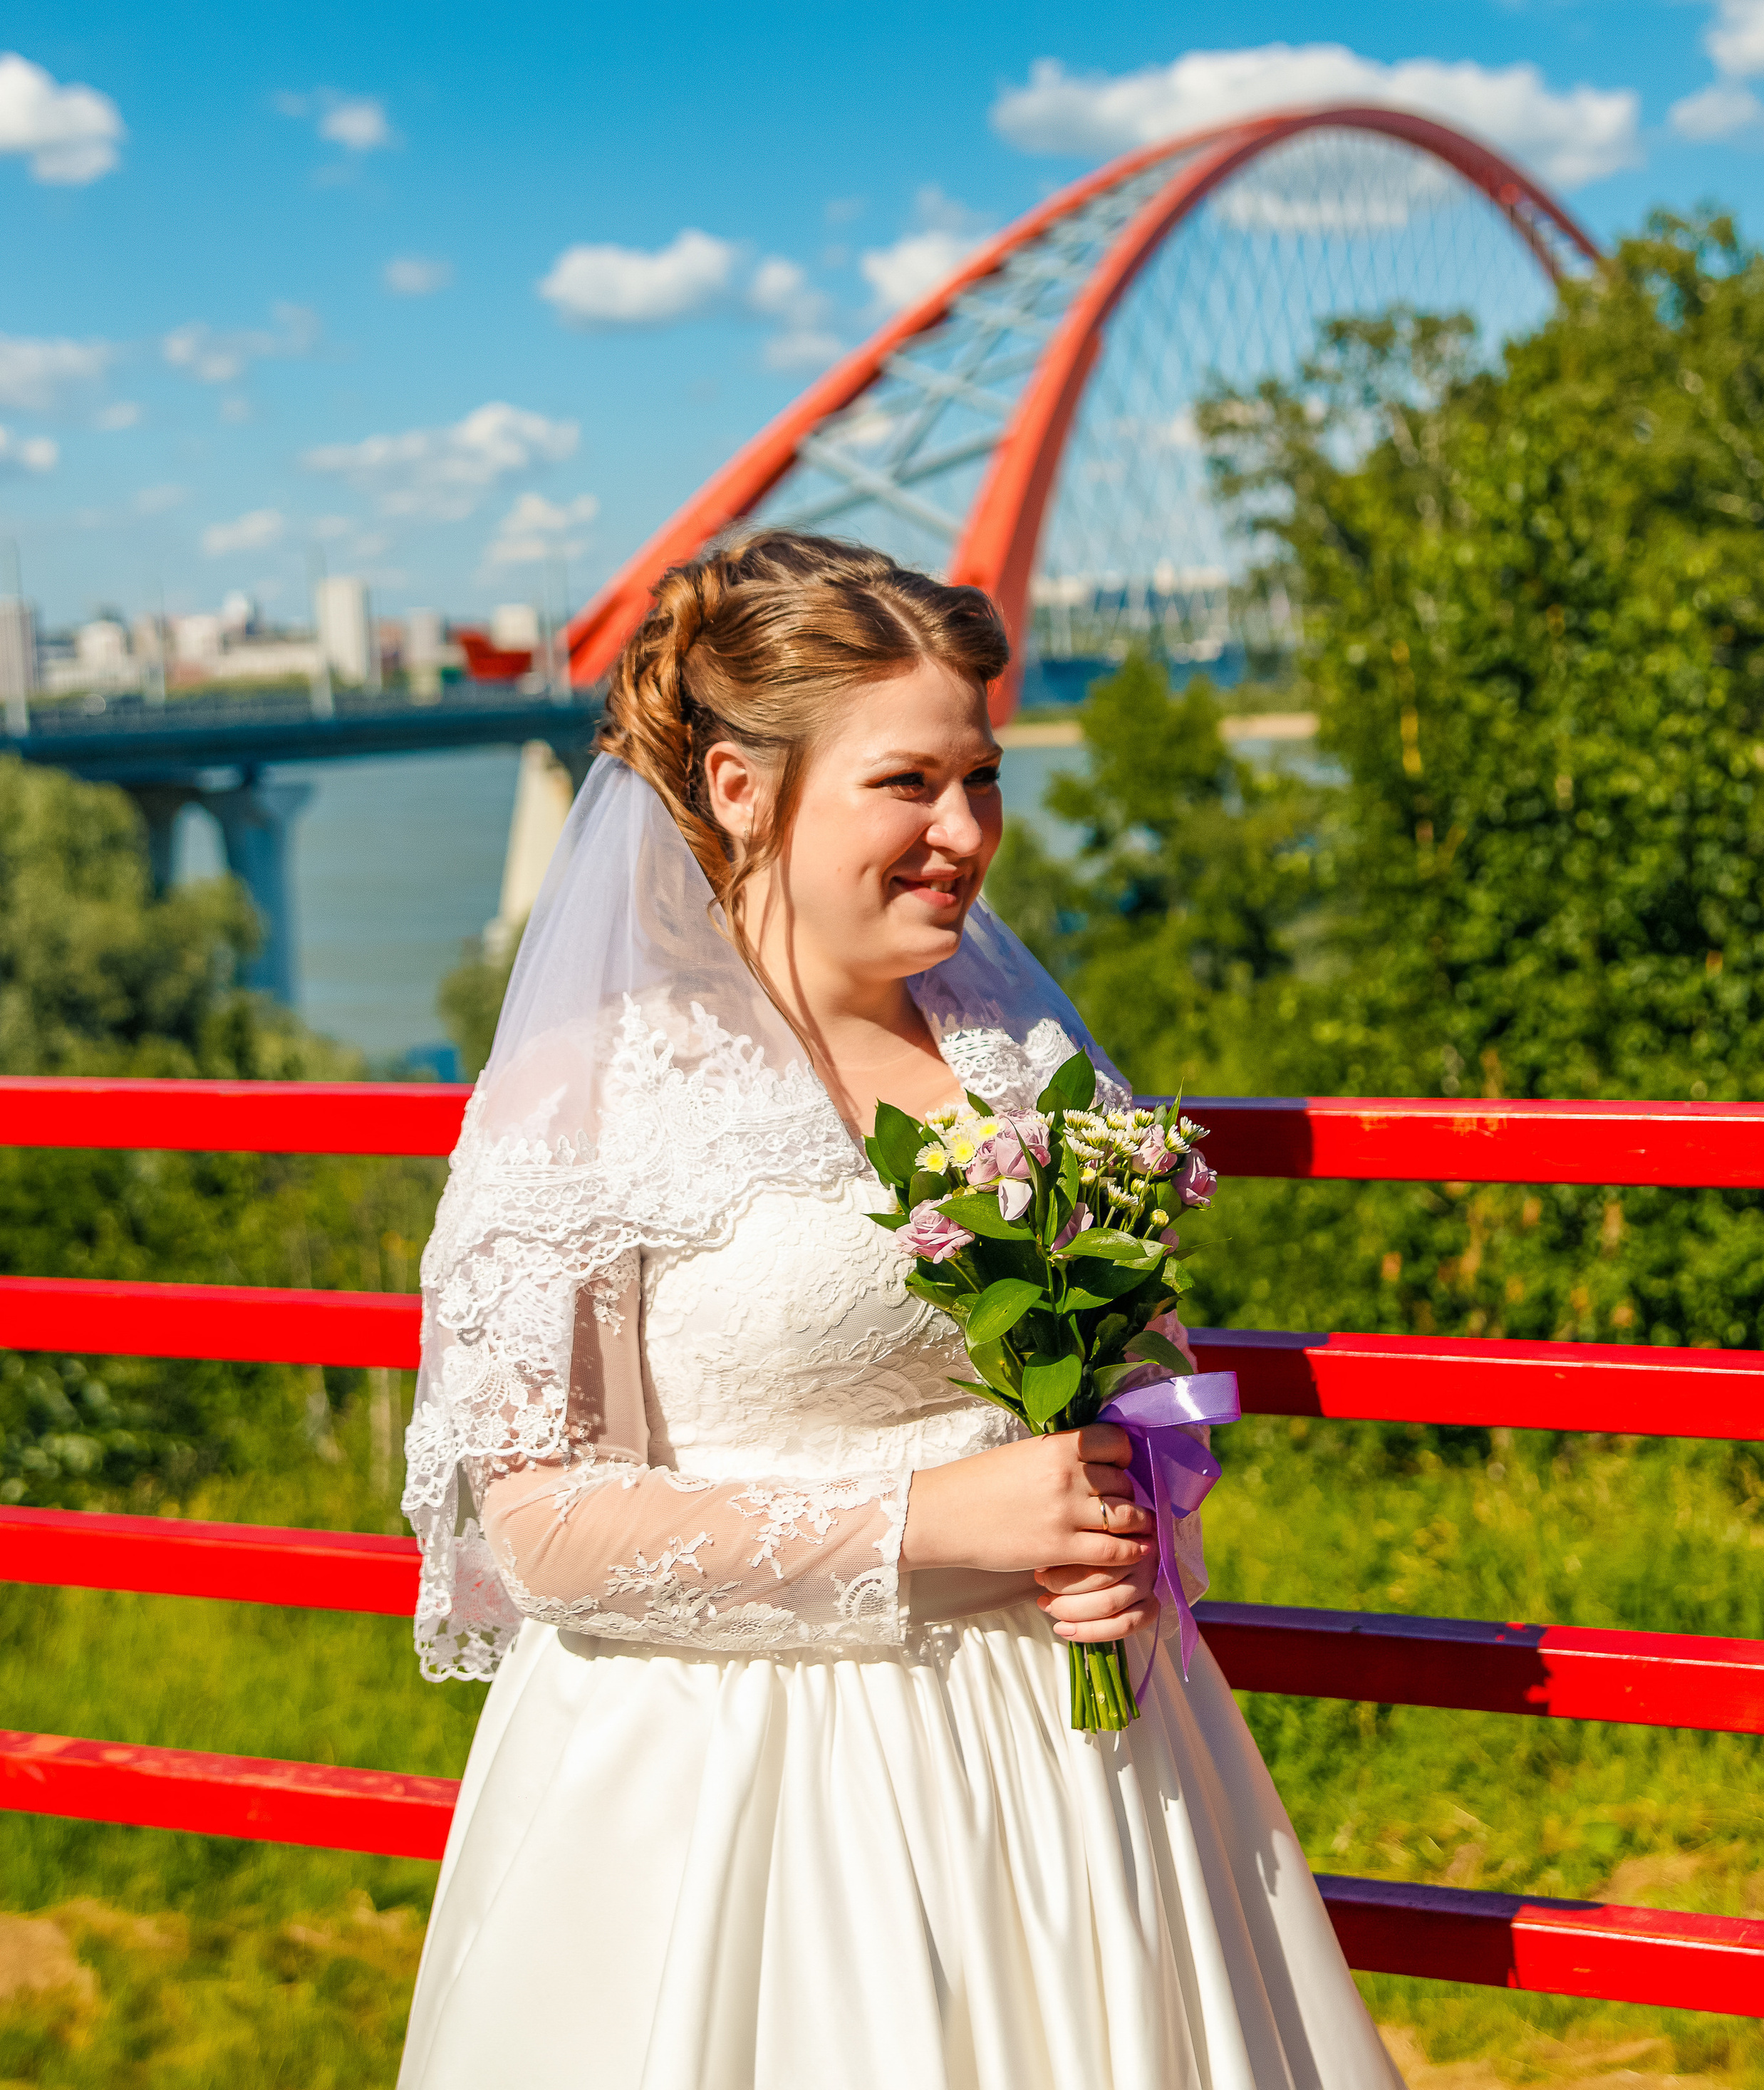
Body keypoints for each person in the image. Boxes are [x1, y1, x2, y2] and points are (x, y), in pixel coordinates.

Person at [398, 530, 1401, 2090]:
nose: (962, 832)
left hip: (1078, 1769)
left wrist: (1136, 1501)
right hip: (752, 1801)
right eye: (904, 783)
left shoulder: (1014, 1041)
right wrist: (936, 1513)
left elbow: (1133, 1374)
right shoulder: (584, 1100)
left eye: (980, 776)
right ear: (741, 788)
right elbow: (540, 1530)